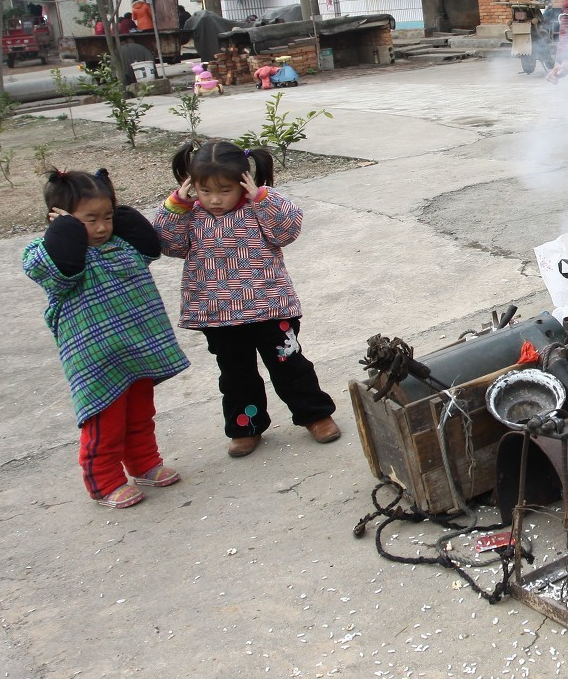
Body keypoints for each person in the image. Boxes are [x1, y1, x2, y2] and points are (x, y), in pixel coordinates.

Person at [153, 141, 341, 458]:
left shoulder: (260, 206)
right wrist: (175, 206)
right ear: (191, 186)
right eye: (204, 190)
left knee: (290, 366)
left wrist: (262, 199)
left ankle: (315, 415)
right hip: (219, 315)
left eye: (224, 190)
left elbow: (287, 231)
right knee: (236, 376)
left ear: (243, 182)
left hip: (269, 308)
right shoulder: (190, 214)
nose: (214, 199)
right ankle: (246, 427)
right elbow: (167, 245)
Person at [22, 169, 190, 509]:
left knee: (140, 415)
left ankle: (145, 464)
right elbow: (61, 270)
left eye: (108, 217)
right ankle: (104, 482)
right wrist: (64, 231)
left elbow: (148, 244)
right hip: (97, 362)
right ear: (61, 221)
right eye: (90, 220)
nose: (102, 228)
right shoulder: (46, 255)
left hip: (135, 352)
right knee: (105, 423)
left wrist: (120, 213)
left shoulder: (121, 247)